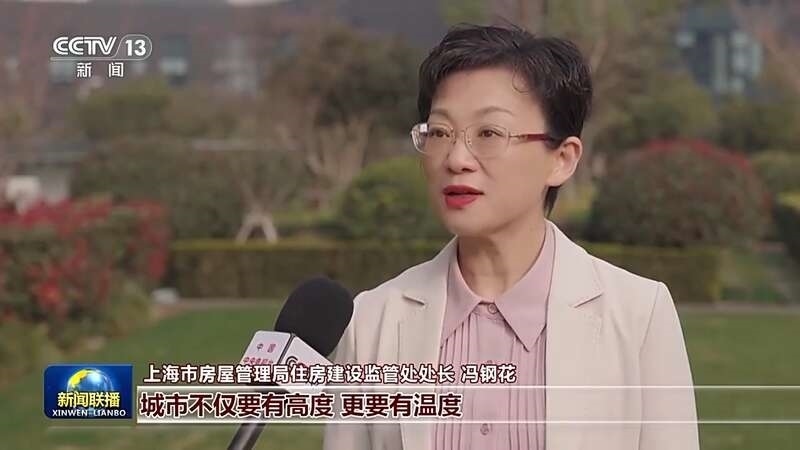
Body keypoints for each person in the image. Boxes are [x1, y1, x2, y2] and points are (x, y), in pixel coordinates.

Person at [323, 24, 699, 450]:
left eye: (489, 134)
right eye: (440, 133)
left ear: (562, 159)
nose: (457, 159)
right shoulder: (372, 320)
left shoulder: (638, 314)